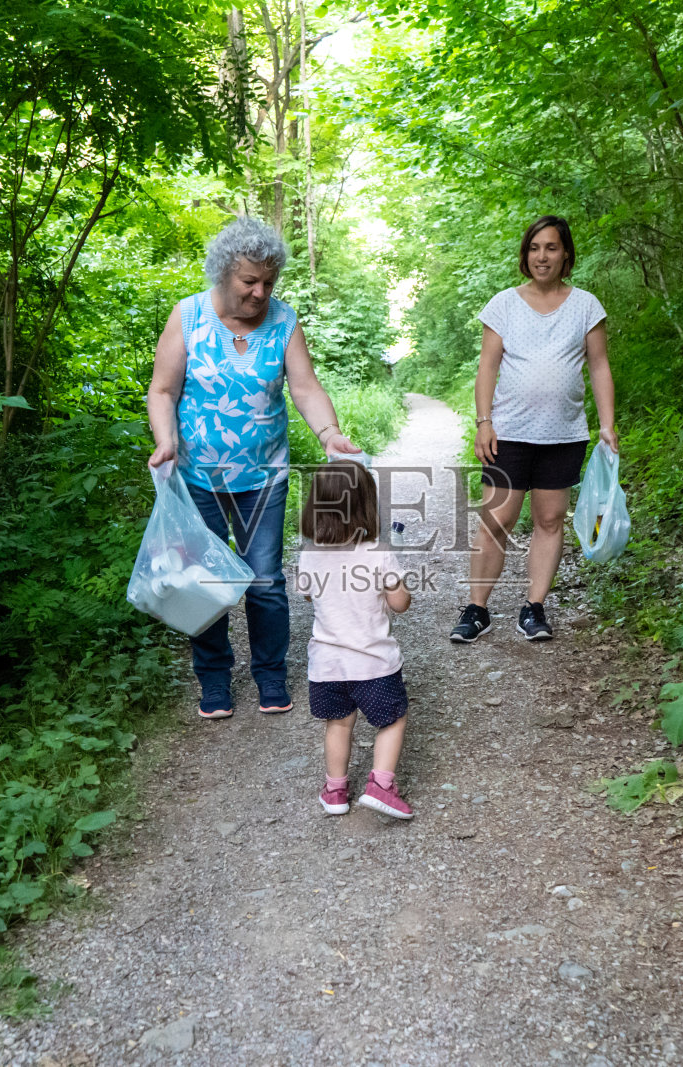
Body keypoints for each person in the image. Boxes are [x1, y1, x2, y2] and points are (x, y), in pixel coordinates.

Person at [147, 217, 362, 719]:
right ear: (224, 273)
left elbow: (305, 387)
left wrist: (329, 435)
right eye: (250, 281)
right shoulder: (189, 316)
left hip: (263, 477)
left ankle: (270, 674)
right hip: (198, 477)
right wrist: (166, 440)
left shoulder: (284, 322)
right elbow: (163, 390)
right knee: (203, 580)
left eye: (269, 281)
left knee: (265, 579)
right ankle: (215, 680)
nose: (260, 292)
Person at [450, 215, 618, 644]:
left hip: (564, 434)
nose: (542, 256)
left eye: (552, 248)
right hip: (508, 432)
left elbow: (598, 365)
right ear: (526, 255)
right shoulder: (504, 303)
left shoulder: (587, 306)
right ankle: (477, 610)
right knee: (496, 520)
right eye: (535, 248)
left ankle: (534, 608)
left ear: (566, 255)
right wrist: (483, 422)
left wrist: (607, 424)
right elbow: (487, 366)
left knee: (549, 520)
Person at [296, 461, 414, 819]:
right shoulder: (378, 551)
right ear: (367, 505)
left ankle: (335, 792)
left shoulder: (309, 554)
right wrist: (398, 579)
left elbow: (306, 595)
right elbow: (400, 605)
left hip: (327, 666)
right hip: (373, 663)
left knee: (339, 723)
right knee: (392, 720)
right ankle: (381, 785)